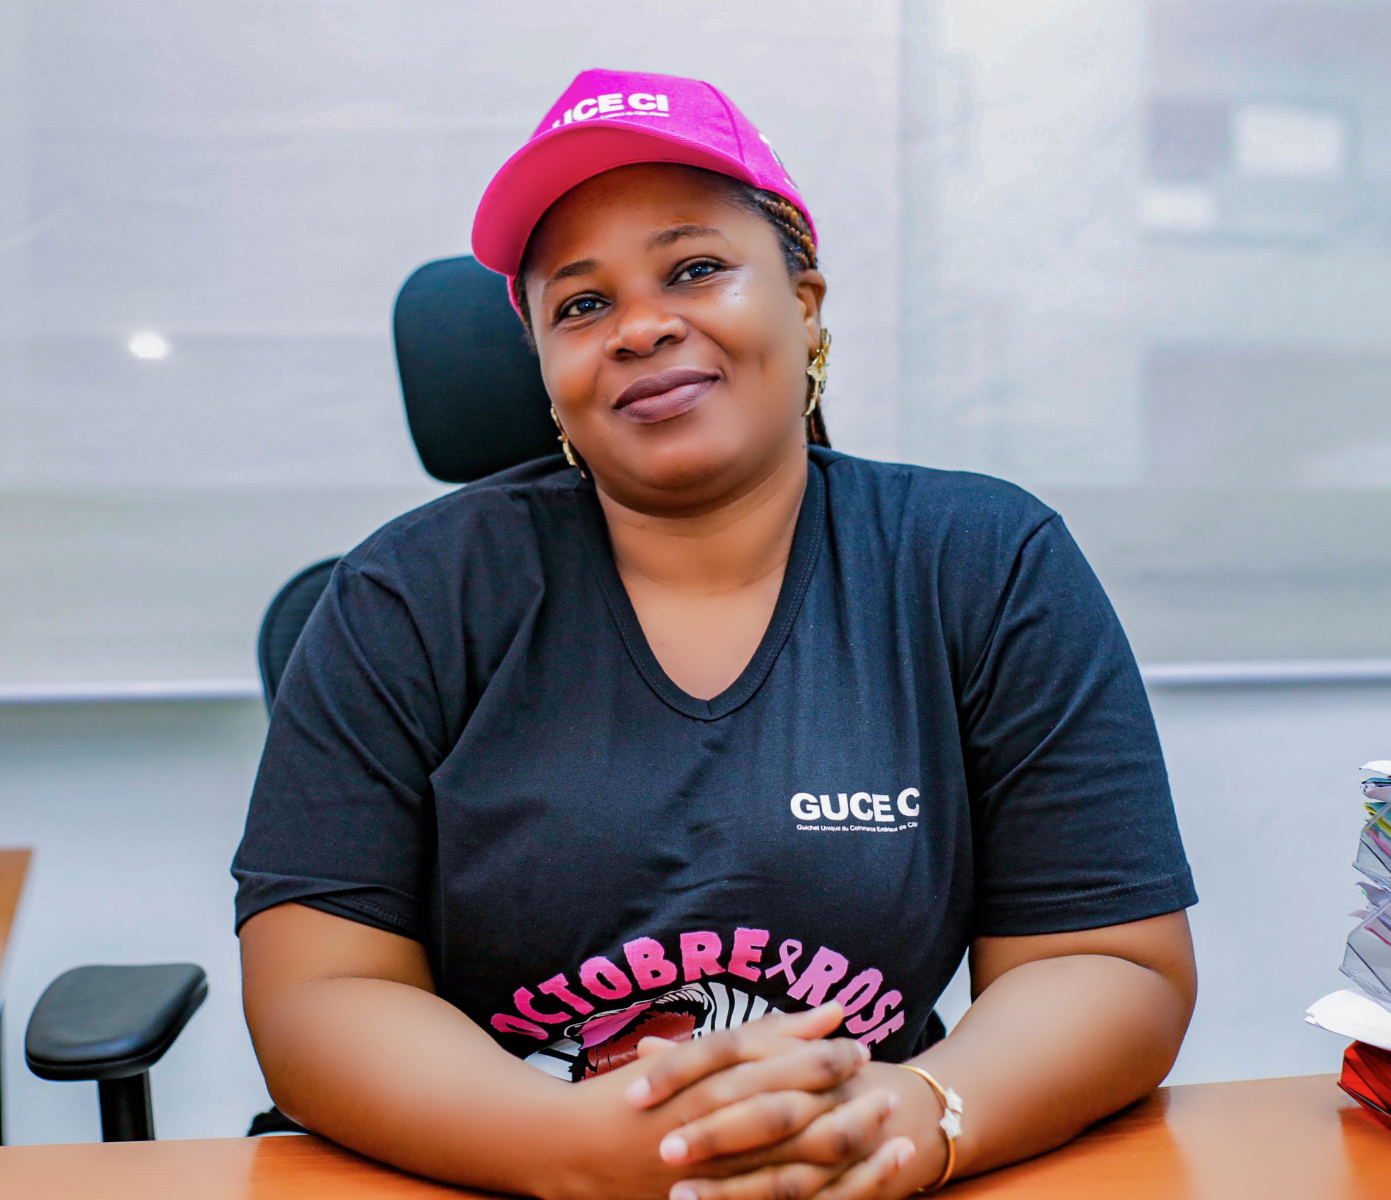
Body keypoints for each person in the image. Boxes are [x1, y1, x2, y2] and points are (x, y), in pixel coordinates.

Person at [233, 69, 1198, 1199]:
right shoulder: (404, 597)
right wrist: (569, 1150)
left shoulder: (982, 561)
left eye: (694, 269)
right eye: (580, 305)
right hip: (499, 1172)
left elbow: (1105, 959)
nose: (641, 326)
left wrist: (920, 1116)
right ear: (544, 366)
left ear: (805, 303)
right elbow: (321, 990)